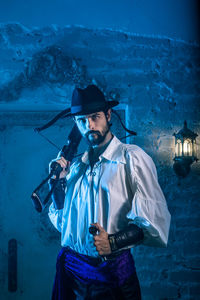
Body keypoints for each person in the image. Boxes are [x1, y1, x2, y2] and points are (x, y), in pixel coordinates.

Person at [48, 85, 171, 300]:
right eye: (82, 120)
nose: (90, 125)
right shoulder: (76, 168)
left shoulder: (132, 158)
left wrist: (112, 242)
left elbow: (154, 222)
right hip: (71, 276)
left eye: (95, 117)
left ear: (108, 114)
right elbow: (63, 224)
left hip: (112, 277)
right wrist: (57, 185)